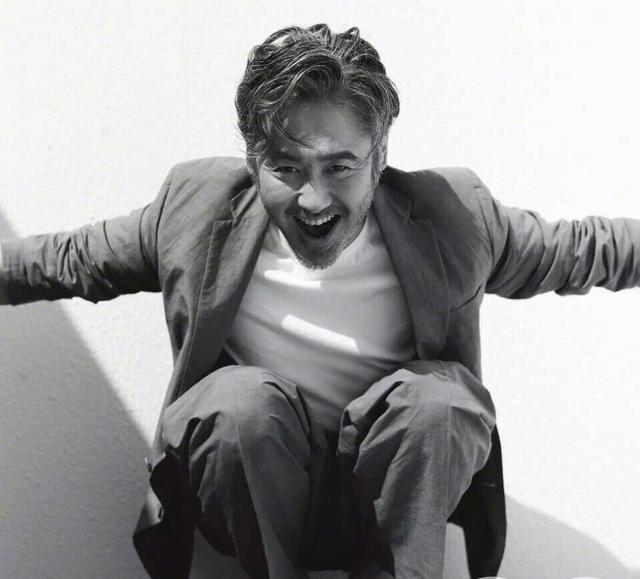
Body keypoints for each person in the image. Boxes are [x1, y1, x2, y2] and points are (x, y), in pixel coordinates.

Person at [1, 23, 638, 579]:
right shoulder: (194, 209)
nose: (313, 200)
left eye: (339, 168)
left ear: (379, 158)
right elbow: (70, 260)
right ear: (252, 160)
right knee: (236, 403)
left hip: (394, 498)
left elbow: (583, 250)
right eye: (287, 168)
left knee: (438, 402)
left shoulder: (453, 216)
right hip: (258, 495)